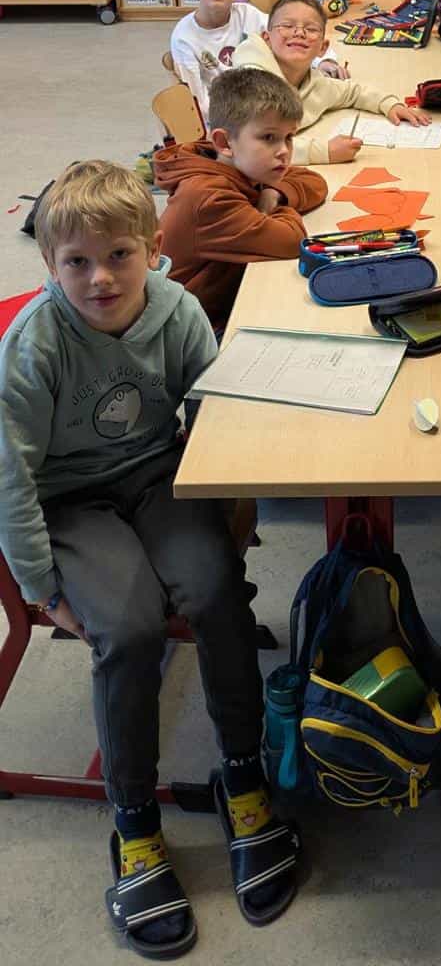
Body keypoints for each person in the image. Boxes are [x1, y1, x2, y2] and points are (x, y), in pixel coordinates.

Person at [0, 161, 300, 956]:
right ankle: (134, 823)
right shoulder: (35, 345)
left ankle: (243, 775)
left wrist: (231, 460)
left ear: (154, 249)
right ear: (49, 263)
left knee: (217, 595)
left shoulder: (176, 309)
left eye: (119, 256)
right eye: (77, 262)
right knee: (128, 632)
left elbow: (210, 401)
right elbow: (9, 476)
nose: (100, 278)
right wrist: (40, 586)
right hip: (71, 499)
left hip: (158, 476)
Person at [155, 68, 328, 334]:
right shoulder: (208, 198)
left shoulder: (239, 165)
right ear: (224, 142)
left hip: (216, 306)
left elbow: (314, 182)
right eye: (268, 138)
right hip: (192, 333)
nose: (284, 151)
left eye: (289, 138)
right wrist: (277, 206)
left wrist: (273, 194)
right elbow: (292, 241)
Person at [233, 0, 429, 164]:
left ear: (323, 48)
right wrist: (324, 152)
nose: (299, 32)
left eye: (311, 29)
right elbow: (251, 146)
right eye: (287, 25)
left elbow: (352, 92)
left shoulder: (317, 84)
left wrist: (389, 104)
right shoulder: (251, 78)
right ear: (266, 39)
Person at [169, 0, 266, 124]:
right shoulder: (183, 37)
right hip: (221, 120)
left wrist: (321, 61)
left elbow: (284, 34)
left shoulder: (250, 15)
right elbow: (196, 101)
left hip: (259, 104)